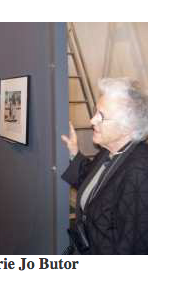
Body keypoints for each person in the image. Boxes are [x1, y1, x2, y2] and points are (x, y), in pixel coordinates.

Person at [61, 78, 148, 255]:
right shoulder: (110, 150)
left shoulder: (141, 172)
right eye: (95, 111)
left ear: (127, 127)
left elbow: (133, 246)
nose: (92, 120)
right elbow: (96, 187)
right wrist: (74, 152)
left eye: (102, 116)